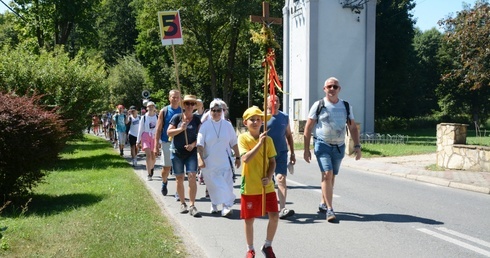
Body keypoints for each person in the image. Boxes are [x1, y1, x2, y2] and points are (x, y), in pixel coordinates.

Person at [303, 77, 362, 222]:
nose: (332, 89)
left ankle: (323, 203)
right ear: (324, 89)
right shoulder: (319, 105)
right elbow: (308, 127)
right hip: (322, 144)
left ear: (339, 89)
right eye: (329, 86)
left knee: (332, 176)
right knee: (327, 174)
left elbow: (352, 127)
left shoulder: (346, 106)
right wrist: (306, 149)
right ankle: (330, 209)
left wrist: (357, 145)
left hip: (339, 146)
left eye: (335, 87)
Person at [237, 106, 278, 258]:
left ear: (262, 122)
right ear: (246, 122)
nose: (255, 122)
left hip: (267, 186)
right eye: (252, 120)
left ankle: (267, 245)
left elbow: (272, 161)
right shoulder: (243, 138)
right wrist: (260, 143)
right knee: (249, 219)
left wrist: (268, 176)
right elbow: (245, 159)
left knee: (274, 216)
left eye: (258, 119)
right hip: (250, 186)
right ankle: (250, 249)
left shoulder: (269, 140)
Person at [197, 99, 240, 217]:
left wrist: (237, 156)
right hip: (209, 162)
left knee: (227, 184)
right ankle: (214, 203)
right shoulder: (205, 126)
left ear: (222, 111)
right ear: (210, 111)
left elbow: (233, 142)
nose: (216, 113)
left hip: (225, 161)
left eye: (218, 110)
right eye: (213, 110)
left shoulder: (227, 125)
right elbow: (200, 144)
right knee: (213, 185)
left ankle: (226, 207)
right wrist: (200, 159)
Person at [167, 94, 202, 217]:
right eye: (187, 103)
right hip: (177, 153)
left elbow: (200, 137)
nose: (190, 106)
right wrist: (181, 129)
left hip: (191, 153)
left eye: (192, 104)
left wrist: (193, 145)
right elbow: (169, 132)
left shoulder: (197, 120)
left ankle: (192, 205)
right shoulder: (177, 118)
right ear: (184, 105)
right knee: (179, 178)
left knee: (192, 176)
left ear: (194, 106)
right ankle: (183, 203)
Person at [266, 94, 296, 219]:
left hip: (281, 153)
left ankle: (282, 208)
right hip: (266, 155)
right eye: (272, 101)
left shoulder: (284, 117)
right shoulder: (262, 117)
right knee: (266, 181)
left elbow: (288, 135)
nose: (275, 103)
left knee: (281, 179)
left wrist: (293, 153)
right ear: (267, 103)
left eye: (277, 101)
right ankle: (265, 206)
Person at [154, 90, 182, 196]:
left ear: (180, 98)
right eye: (173, 97)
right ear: (169, 98)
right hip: (167, 142)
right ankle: (164, 182)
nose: (175, 99)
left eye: (177, 97)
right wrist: (156, 145)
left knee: (179, 170)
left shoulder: (183, 111)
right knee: (166, 168)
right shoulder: (164, 111)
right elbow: (158, 128)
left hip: (180, 143)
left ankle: (178, 192)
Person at [137, 101, 158, 180]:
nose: (151, 107)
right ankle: (149, 174)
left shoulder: (157, 117)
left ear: (154, 107)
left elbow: (159, 129)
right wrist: (138, 140)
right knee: (148, 155)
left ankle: (151, 168)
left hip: (154, 137)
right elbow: (140, 129)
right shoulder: (144, 117)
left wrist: (159, 141)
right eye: (149, 106)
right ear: (147, 108)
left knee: (153, 156)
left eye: (152, 106)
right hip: (145, 136)